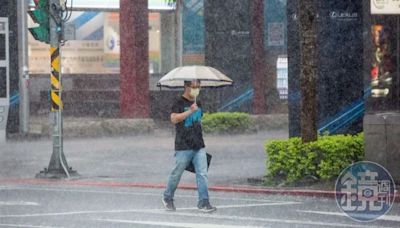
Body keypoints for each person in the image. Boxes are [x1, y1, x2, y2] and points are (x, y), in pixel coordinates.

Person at [162, 79, 217, 213]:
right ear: (186, 87)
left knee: (202, 174)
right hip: (183, 145)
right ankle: (168, 197)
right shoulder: (178, 102)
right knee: (177, 173)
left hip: (199, 144)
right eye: (194, 87)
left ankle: (203, 201)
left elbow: (199, 119)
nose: (196, 89)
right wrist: (189, 111)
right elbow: (174, 119)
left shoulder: (198, 102)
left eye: (198, 87)